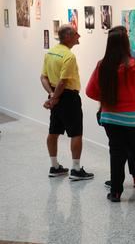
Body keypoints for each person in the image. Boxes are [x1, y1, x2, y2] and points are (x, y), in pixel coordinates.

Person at [86, 26, 135, 202]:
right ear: (126, 43)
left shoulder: (102, 66)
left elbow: (90, 91)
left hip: (110, 118)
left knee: (116, 153)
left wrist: (106, 100)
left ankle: (116, 192)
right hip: (134, 119)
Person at [40, 24, 94, 181]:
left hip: (56, 96)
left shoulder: (50, 52)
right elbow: (63, 82)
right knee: (76, 133)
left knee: (53, 131)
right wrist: (55, 97)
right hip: (69, 98)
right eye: (76, 33)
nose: (79, 36)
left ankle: (54, 166)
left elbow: (43, 77)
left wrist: (51, 96)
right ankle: (76, 170)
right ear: (69, 36)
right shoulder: (69, 57)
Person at [103, 49, 135, 189]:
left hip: (112, 115)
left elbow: (93, 90)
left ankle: (116, 186)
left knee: (117, 151)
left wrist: (105, 103)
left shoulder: (105, 61)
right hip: (134, 115)